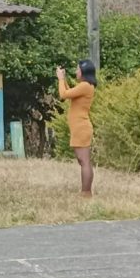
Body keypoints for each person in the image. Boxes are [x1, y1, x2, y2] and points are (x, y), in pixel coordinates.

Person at [56, 59, 97, 196]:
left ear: (84, 72)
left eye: (78, 69)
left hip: (82, 127)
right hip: (79, 127)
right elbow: (69, 93)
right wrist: (64, 79)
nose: (76, 72)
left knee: (84, 161)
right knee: (82, 160)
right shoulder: (84, 86)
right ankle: (86, 192)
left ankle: (86, 192)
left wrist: (61, 79)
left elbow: (63, 95)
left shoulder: (85, 85)